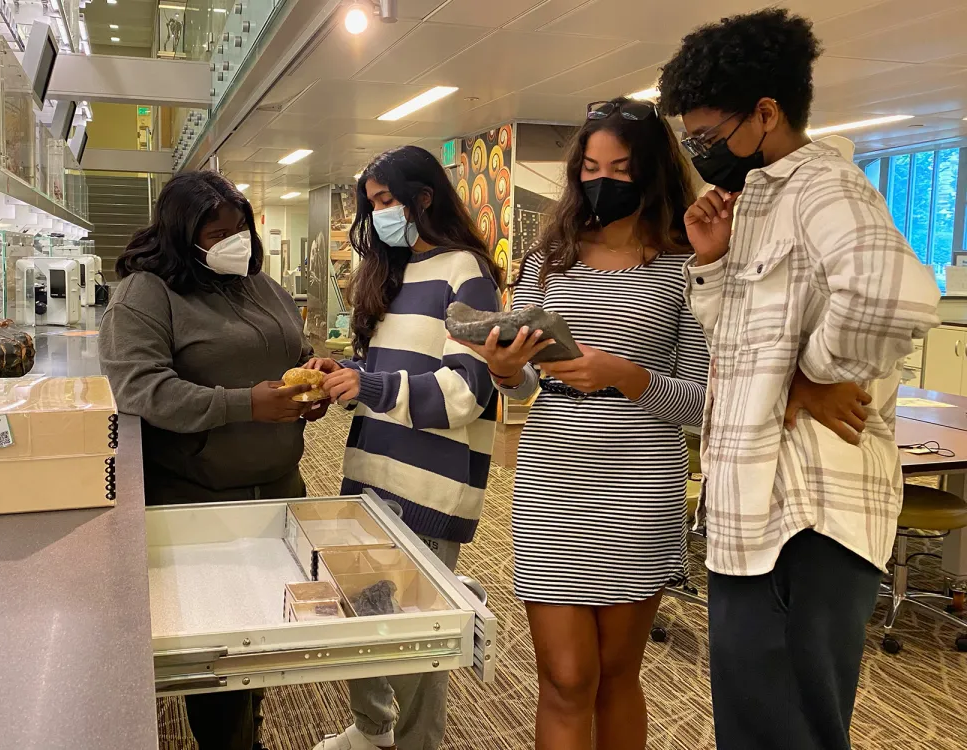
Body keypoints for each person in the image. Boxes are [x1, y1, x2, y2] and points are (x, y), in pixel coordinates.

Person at [657, 10, 942, 750]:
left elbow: (895, 293)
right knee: (756, 724)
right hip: (756, 513)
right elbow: (738, 342)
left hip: (804, 518)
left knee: (787, 730)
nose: (698, 150)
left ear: (766, 113)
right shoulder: (757, 197)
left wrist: (815, 373)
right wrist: (716, 262)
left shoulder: (823, 187)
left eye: (707, 135)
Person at [456, 98, 708, 749]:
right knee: (565, 677)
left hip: (640, 481)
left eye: (620, 168)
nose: (602, 180)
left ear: (650, 172)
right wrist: (507, 372)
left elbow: (707, 405)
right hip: (552, 476)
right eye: (591, 166)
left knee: (616, 675)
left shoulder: (688, 266)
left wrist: (627, 376)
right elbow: (530, 375)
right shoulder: (550, 260)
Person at [99, 171, 327, 750]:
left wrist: (311, 383)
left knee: (267, 639)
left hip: (277, 488)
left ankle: (250, 730)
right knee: (220, 660)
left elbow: (291, 352)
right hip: (198, 501)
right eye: (217, 232)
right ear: (181, 235)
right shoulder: (145, 295)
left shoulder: (261, 287)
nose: (235, 241)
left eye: (240, 228)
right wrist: (244, 405)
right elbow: (141, 389)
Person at [305, 145, 502, 750]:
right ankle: (372, 729)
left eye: (388, 200)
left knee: (419, 638)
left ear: (424, 197)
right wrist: (344, 371)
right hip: (371, 471)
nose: (381, 214)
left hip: (430, 482)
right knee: (364, 612)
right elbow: (388, 366)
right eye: (373, 205)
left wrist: (369, 383)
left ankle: (417, 742)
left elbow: (466, 389)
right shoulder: (389, 273)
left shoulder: (465, 272)